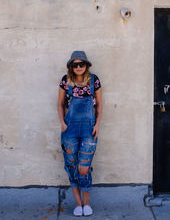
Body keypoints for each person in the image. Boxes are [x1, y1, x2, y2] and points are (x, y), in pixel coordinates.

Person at [57, 50, 102, 216]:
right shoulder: (65, 81)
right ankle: (78, 204)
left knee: (83, 168)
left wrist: (97, 124)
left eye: (81, 64)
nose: (78, 67)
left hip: (89, 129)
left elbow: (99, 105)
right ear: (71, 67)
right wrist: (62, 124)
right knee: (72, 166)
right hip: (70, 129)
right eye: (75, 65)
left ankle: (87, 203)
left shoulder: (94, 81)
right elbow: (60, 104)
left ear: (86, 65)